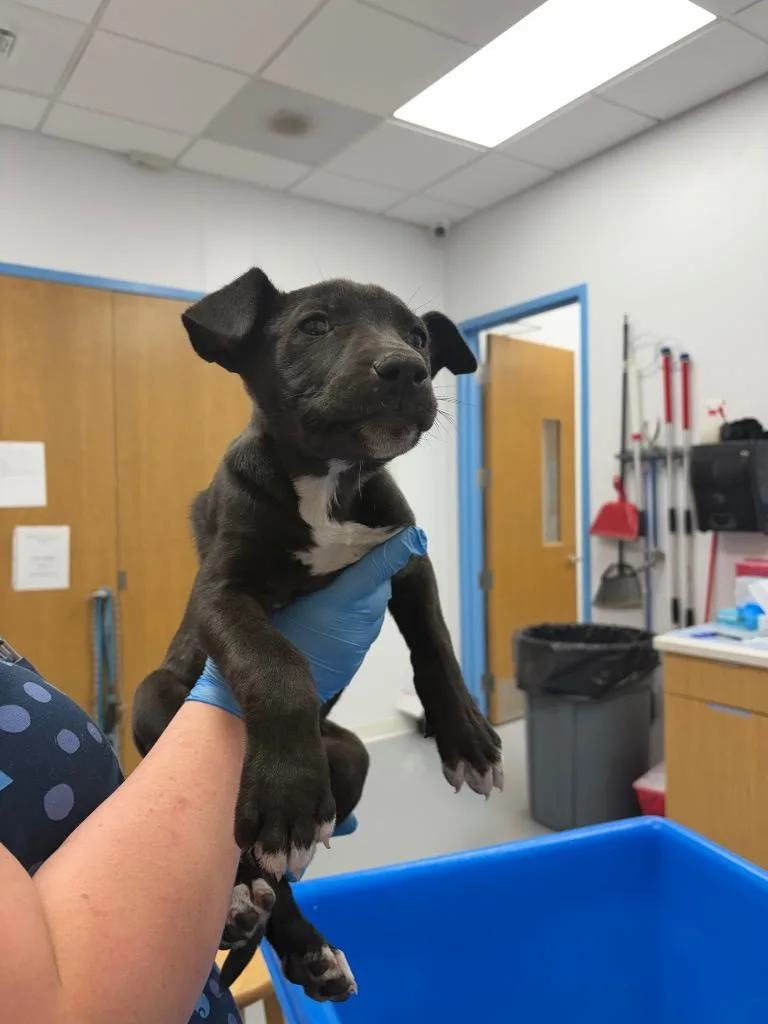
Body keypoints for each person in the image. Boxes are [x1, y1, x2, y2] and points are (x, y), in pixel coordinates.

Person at [0, 527, 426, 1024]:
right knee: (156, 699)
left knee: (349, 761)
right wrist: (236, 714)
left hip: (173, 961)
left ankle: (262, 900)